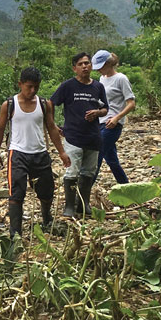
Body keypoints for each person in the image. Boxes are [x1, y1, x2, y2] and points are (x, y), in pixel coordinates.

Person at [0, 66, 71, 237]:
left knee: (46, 190)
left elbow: (51, 128)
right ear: (20, 84)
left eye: (36, 86)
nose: (32, 90)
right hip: (17, 153)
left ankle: (46, 219)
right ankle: (15, 233)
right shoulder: (9, 104)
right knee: (16, 193)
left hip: (40, 152)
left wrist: (62, 152)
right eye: (29, 86)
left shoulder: (44, 104)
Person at [50, 52, 108, 217]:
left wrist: (97, 113)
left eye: (87, 63)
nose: (85, 66)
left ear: (91, 66)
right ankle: (69, 206)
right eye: (81, 64)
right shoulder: (68, 86)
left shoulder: (98, 87)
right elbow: (51, 103)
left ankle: (84, 204)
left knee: (89, 173)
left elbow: (105, 109)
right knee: (72, 172)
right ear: (74, 68)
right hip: (73, 137)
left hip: (93, 137)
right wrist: (53, 124)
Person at [93, 50, 135, 184]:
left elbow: (131, 103)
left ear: (109, 64)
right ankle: (127, 188)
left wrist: (117, 117)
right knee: (112, 160)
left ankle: (83, 193)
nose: (98, 70)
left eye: (101, 66)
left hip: (113, 125)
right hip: (100, 122)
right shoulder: (102, 79)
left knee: (96, 155)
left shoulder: (121, 79)